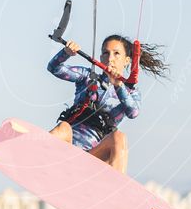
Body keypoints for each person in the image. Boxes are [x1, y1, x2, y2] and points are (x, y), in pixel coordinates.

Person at [47, 34, 168, 174]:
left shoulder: (130, 93)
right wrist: (66, 53)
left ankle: (116, 187)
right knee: (63, 127)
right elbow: (54, 68)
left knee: (119, 137)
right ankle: (34, 153)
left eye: (116, 54)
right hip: (67, 147)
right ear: (101, 58)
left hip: (94, 156)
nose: (110, 58)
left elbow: (133, 112)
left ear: (127, 60)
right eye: (106, 53)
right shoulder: (87, 77)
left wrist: (118, 85)